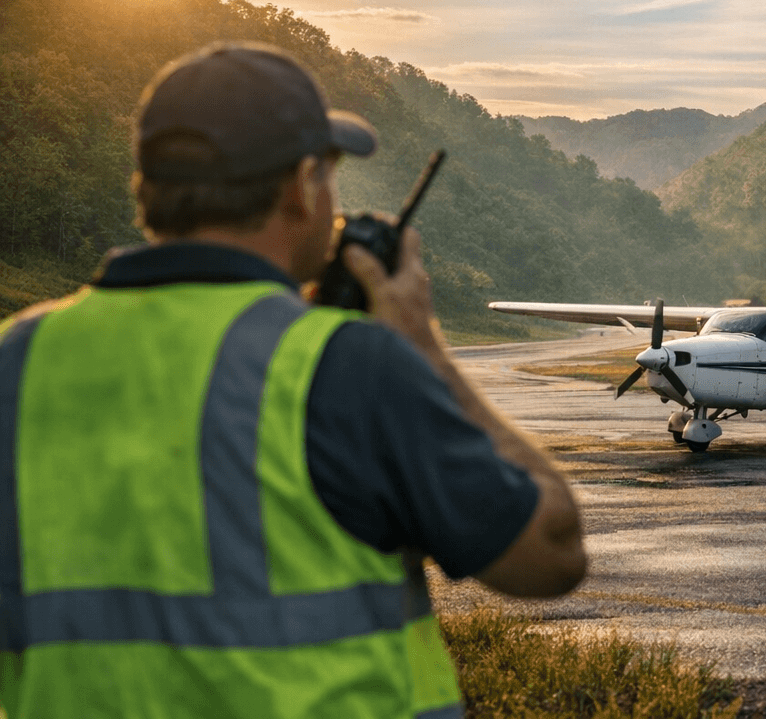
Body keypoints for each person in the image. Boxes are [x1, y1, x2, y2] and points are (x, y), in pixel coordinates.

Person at [0, 43, 587, 717]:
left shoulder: (18, 355)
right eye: (332, 174)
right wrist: (427, 351)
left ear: (148, 186)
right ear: (301, 186)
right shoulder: (345, 365)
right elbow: (549, 553)